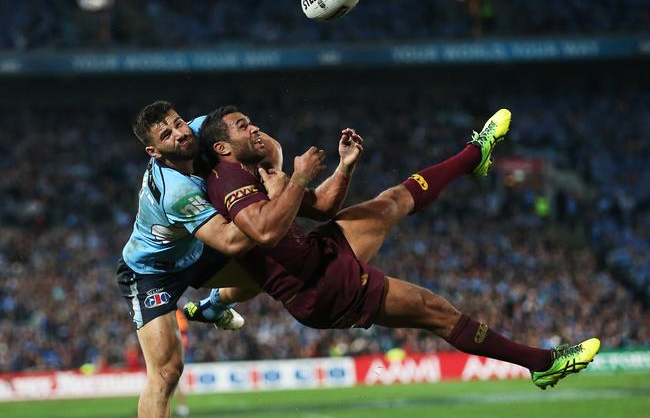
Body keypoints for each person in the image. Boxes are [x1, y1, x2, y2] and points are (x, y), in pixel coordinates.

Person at [192, 105, 600, 390]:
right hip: (318, 285)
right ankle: (544, 364)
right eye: (243, 126)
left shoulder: (255, 170)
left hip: (318, 253)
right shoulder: (227, 182)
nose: (255, 129)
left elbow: (322, 207)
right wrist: (295, 180)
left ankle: (473, 154)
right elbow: (266, 232)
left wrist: (344, 167)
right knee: (438, 313)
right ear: (223, 147)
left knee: (392, 200)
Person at [117, 100, 328, 418]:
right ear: (154, 152)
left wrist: (268, 172)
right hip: (152, 272)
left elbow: (265, 144)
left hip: (195, 248)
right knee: (166, 373)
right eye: (166, 134)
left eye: (178, 122)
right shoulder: (175, 190)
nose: (179, 133)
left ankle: (213, 307)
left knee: (265, 272)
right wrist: (275, 198)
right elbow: (230, 240)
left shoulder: (204, 129)